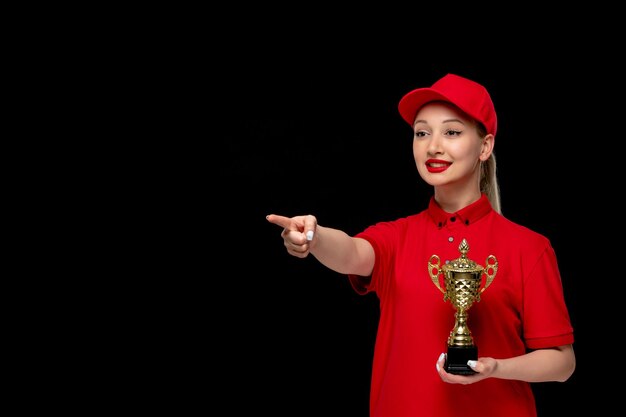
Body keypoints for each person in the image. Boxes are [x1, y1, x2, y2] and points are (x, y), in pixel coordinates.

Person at [266, 73, 575, 417]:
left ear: (485, 146)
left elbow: (562, 363)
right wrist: (315, 236)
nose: (433, 146)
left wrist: (496, 368)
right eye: (422, 133)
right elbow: (352, 252)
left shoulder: (529, 247)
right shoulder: (397, 237)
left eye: (452, 132)